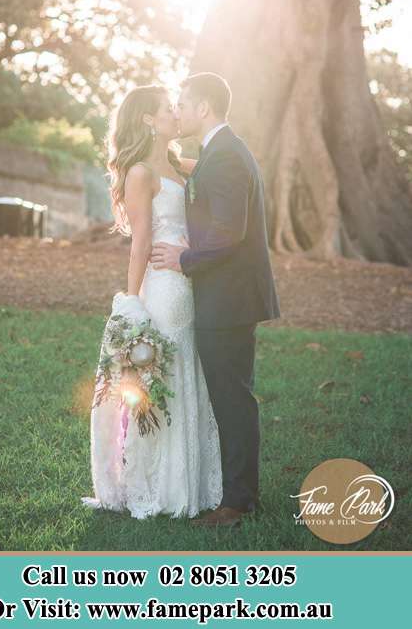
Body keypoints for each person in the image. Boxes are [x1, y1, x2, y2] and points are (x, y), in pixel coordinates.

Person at [81, 85, 222, 519]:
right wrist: (131, 302)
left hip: (191, 279)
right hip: (164, 287)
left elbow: (225, 169)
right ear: (148, 120)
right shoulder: (142, 172)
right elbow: (140, 241)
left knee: (185, 376)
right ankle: (158, 485)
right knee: (162, 382)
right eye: (167, 110)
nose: (175, 115)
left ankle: (188, 481)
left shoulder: (182, 166)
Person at [151, 72, 280, 527]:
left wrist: (183, 257)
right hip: (228, 296)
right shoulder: (219, 153)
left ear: (203, 107)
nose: (178, 111)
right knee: (232, 396)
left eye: (183, 104)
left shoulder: (225, 156)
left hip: (228, 299)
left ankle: (237, 503)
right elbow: (203, 189)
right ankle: (238, 494)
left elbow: (229, 232)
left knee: (231, 400)